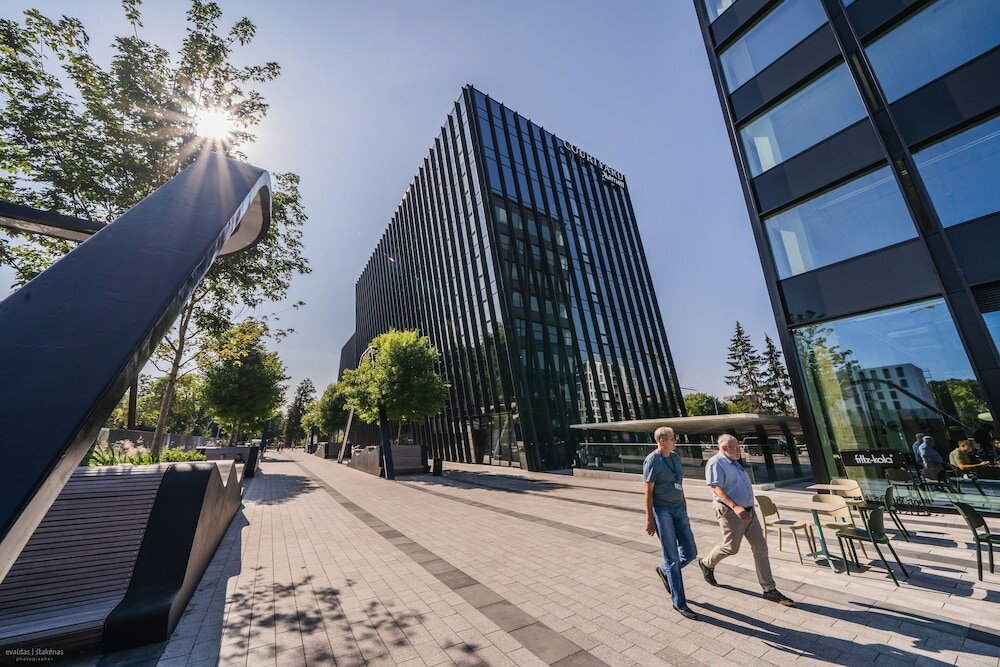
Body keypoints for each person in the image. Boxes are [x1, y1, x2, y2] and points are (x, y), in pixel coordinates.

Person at [697, 435, 795, 607]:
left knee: (761, 548)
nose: (739, 449)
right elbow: (715, 487)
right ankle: (706, 563)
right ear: (724, 448)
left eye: (739, 446)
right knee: (731, 547)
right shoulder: (716, 463)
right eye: (735, 447)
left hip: (749, 511)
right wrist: (735, 506)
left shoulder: (735, 462)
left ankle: (769, 589)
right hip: (730, 511)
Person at [643, 426, 699, 620]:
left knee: (691, 552)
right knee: (673, 557)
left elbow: (679, 482)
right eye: (673, 438)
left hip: (679, 509)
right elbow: (648, 492)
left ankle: (665, 571)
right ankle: (679, 602)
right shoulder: (652, 461)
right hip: (662, 511)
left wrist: (684, 501)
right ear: (662, 441)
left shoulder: (674, 457)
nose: (675, 440)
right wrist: (650, 518)